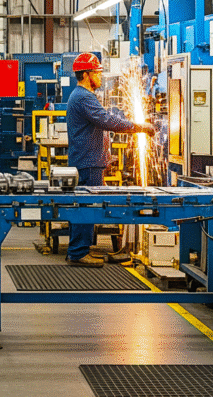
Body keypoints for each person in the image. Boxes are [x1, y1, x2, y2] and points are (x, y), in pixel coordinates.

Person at [64, 52, 154, 267]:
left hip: (88, 159)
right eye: (96, 73)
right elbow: (106, 121)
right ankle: (78, 253)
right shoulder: (84, 97)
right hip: (88, 161)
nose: (100, 77)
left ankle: (78, 250)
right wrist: (139, 127)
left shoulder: (80, 95)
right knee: (86, 206)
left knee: (85, 206)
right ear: (86, 74)